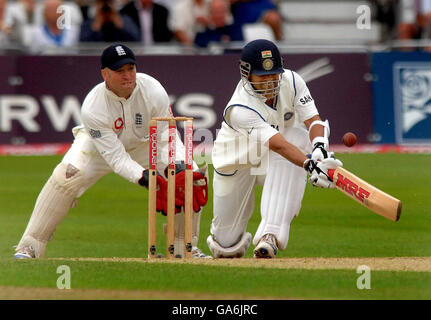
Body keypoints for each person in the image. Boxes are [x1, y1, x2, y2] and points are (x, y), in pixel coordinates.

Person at [14, 44, 209, 259]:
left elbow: (166, 136)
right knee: (67, 175)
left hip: (145, 144)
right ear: (105, 74)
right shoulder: (93, 106)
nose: (127, 76)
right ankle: (30, 245)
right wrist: (147, 179)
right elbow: (116, 157)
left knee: (191, 176)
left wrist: (178, 167)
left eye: (130, 69)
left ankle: (184, 247)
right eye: (119, 71)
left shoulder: (153, 90)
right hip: (99, 148)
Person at [207, 39, 343, 259]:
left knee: (298, 136)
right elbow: (278, 144)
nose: (271, 81)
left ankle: (270, 235)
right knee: (225, 247)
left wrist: (320, 149)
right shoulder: (239, 108)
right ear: (247, 74)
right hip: (236, 163)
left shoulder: (293, 80)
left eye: (274, 74)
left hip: (271, 159)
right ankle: (229, 243)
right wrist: (311, 165)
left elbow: (313, 120)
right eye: (263, 75)